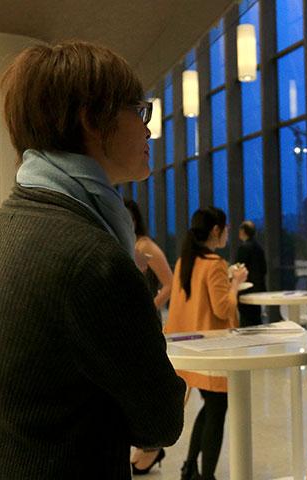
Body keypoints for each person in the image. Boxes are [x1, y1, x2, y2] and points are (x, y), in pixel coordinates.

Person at [0, 41, 185, 479]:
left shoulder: (7, 220)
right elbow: (161, 419)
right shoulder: (92, 256)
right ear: (91, 119)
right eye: (139, 111)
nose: (148, 130)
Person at [165, 207, 248, 480]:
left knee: (210, 406)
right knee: (217, 409)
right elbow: (223, 309)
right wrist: (235, 283)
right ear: (216, 230)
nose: (226, 233)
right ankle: (206, 475)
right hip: (213, 349)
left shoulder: (184, 261)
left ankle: (190, 468)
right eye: (225, 228)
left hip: (190, 347)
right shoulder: (214, 264)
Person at [123, 199, 174, 475]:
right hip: (129, 324)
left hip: (145, 323)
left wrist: (148, 307)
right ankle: (146, 445)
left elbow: (170, 284)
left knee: (146, 383)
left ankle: (151, 446)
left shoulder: (144, 245)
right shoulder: (124, 243)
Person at [124, 199, 172, 310]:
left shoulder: (144, 247)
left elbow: (170, 284)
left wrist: (149, 311)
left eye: (128, 219)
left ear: (135, 221)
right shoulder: (126, 245)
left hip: (142, 317)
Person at [234, 220, 267, 327]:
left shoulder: (243, 248)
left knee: (246, 321)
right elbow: (264, 269)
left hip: (246, 289)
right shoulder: (259, 248)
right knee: (256, 319)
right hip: (258, 288)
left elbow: (238, 268)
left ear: (243, 231)